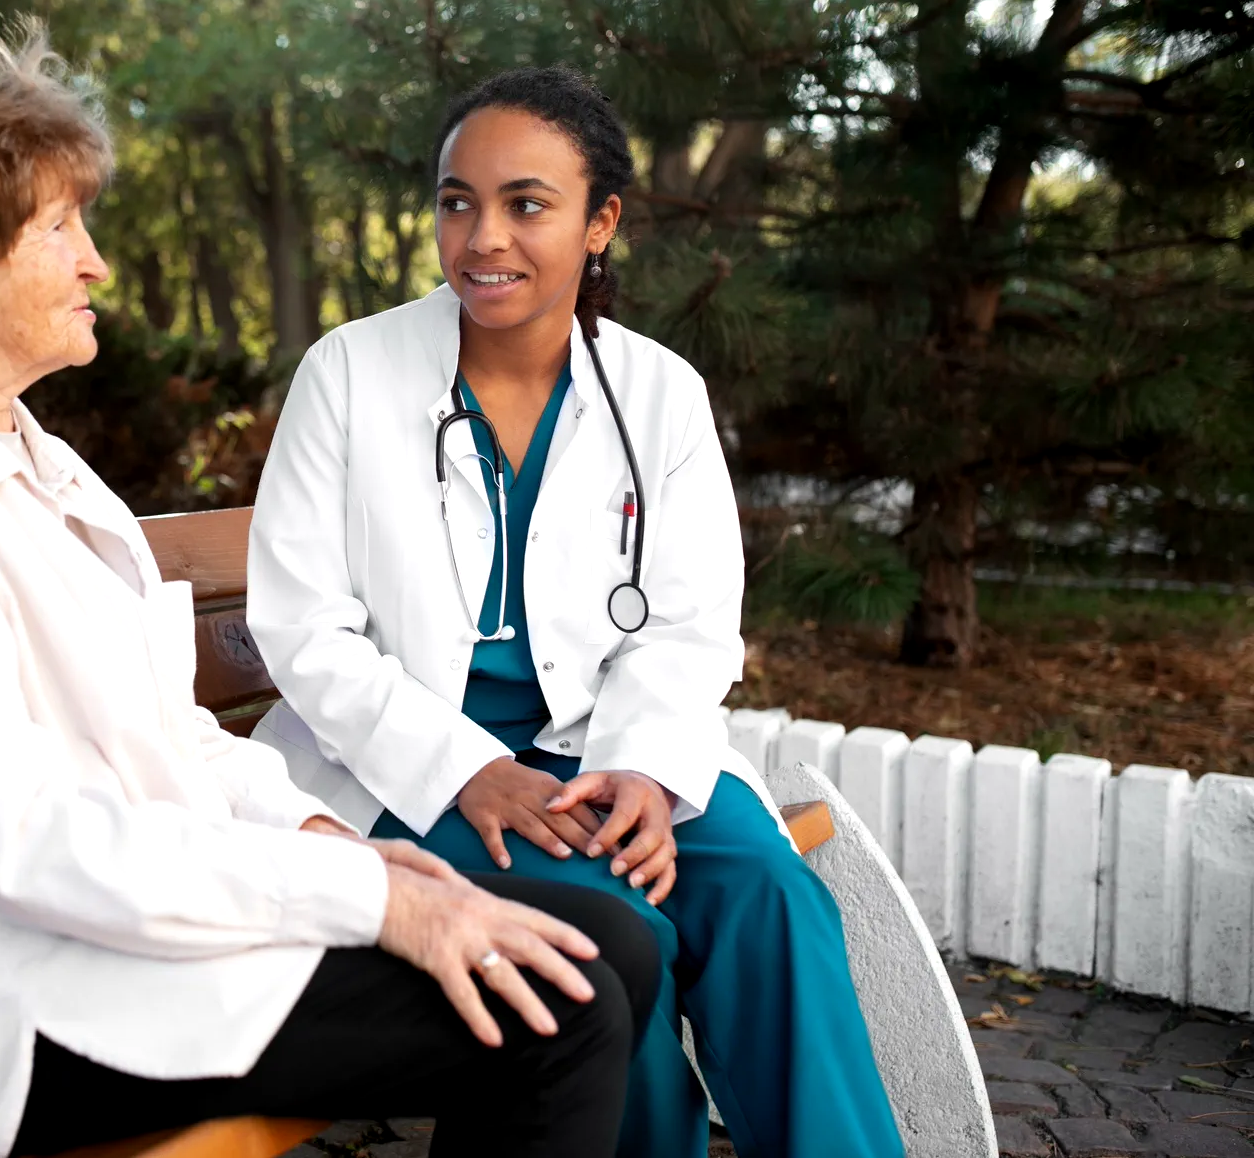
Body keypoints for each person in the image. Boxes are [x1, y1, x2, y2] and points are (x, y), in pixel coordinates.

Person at [0, 23, 662, 1158]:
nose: (94, 260)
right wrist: (377, 903)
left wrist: (334, 843)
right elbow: (21, 845)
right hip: (0, 1010)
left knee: (613, 941)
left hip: (114, 940)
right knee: (559, 1003)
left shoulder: (20, 455)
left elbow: (167, 737)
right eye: (59, 226)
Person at [245, 65, 904, 1158]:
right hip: (403, 764)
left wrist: (644, 771)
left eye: (525, 204)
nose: (481, 237)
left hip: (606, 754)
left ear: (600, 222)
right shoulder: (349, 373)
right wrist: (465, 769)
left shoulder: (657, 393)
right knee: (611, 934)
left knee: (769, 901)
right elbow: (304, 630)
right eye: (457, 201)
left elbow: (686, 626)